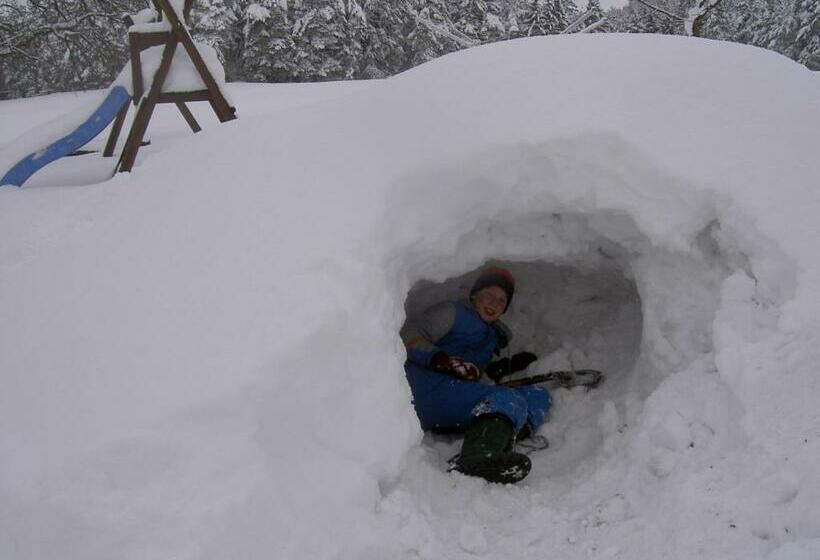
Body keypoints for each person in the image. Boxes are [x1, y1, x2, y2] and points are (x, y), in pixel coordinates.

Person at [401, 267, 551, 484]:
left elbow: (474, 376)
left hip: (451, 395)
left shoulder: (493, 337)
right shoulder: (452, 313)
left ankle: (503, 436)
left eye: (501, 300)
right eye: (488, 294)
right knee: (506, 399)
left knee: (537, 396)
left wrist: (499, 368)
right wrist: (439, 359)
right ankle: (478, 456)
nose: (493, 303)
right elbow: (407, 335)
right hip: (422, 389)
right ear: (474, 295)